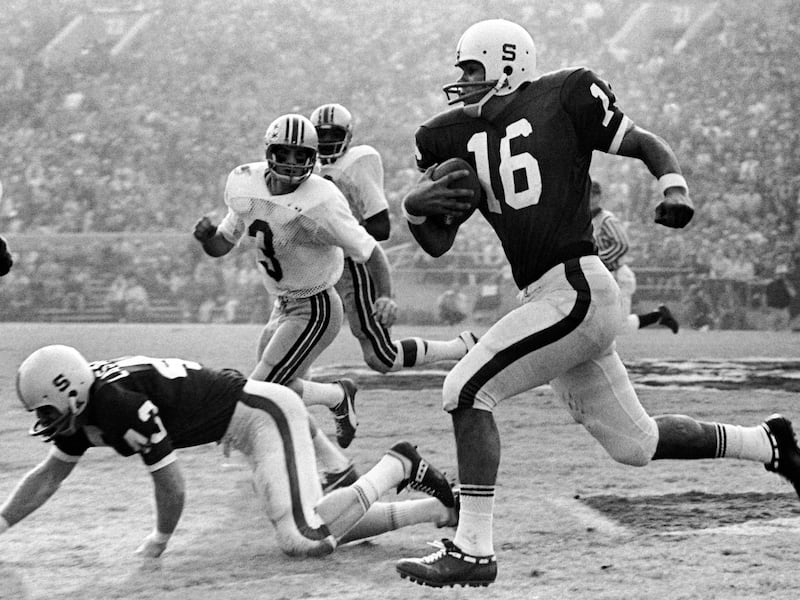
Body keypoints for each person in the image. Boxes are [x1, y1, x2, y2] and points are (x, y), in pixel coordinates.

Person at [394, 19, 800, 588]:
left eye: (471, 68)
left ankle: (473, 549)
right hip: (547, 295)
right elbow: (437, 244)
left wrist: (674, 188)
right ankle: (768, 442)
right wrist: (415, 207)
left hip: (577, 287)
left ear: (507, 63)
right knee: (637, 444)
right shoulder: (448, 136)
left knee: (465, 389)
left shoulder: (564, 94)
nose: (460, 81)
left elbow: (643, 142)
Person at [0, 345, 458, 558]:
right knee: (312, 523)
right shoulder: (85, 404)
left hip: (259, 414)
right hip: (244, 423)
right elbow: (48, 475)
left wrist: (159, 542)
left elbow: (170, 481)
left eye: (45, 410)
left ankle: (399, 464)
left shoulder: (116, 407)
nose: (43, 422)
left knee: (302, 537)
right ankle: (436, 509)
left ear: (70, 391)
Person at [193, 113, 396, 453]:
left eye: (300, 155)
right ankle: (336, 405)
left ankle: (285, 450)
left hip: (315, 306)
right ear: (269, 151)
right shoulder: (245, 183)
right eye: (284, 153)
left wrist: (386, 295)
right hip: (283, 306)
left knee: (261, 389)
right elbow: (222, 244)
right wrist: (206, 238)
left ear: (312, 159)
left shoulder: (323, 199)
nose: (290, 163)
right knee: (283, 387)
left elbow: (371, 249)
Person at [309, 103, 477, 374]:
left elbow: (380, 227)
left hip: (355, 264)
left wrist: (338, 232)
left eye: (333, 134)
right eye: (321, 135)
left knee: (381, 356)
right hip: (327, 265)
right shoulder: (315, 169)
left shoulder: (357, 162)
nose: (327, 142)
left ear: (348, 136)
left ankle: (461, 347)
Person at [589, 180, 679, 334]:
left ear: (597, 197)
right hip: (604, 277)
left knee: (619, 327)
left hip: (617, 275)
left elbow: (622, 244)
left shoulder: (606, 219)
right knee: (598, 323)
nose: (586, 199)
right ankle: (659, 316)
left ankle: (658, 315)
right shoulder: (588, 219)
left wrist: (598, 260)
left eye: (590, 195)